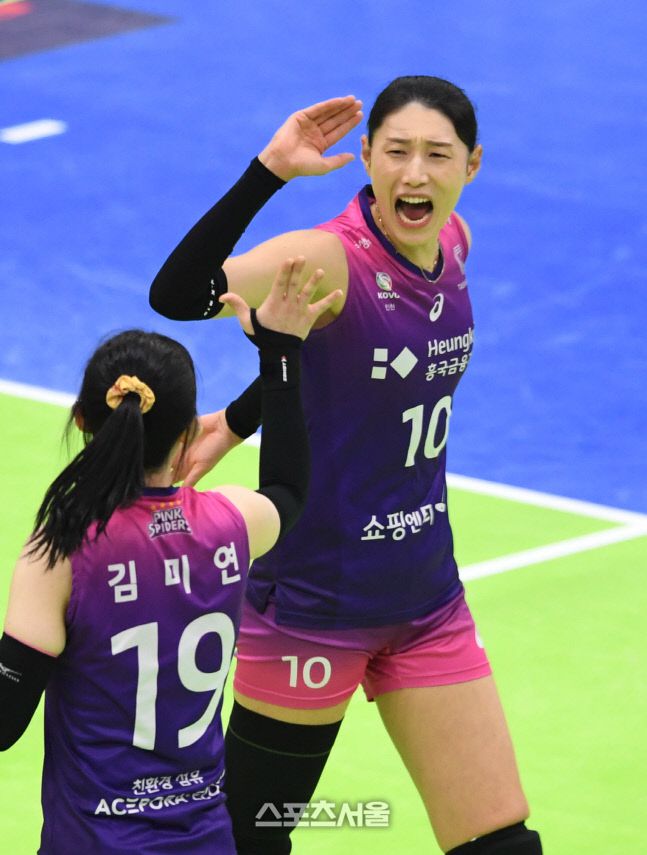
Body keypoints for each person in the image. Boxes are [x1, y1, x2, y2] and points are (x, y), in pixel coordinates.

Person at [149, 77, 542, 854]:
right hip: (312, 609)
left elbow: (339, 354)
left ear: (472, 165)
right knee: (250, 840)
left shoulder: (453, 243)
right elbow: (178, 294)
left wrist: (237, 419)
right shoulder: (325, 257)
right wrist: (268, 171)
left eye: (437, 155)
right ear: (365, 156)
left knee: (500, 844)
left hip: (425, 600)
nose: (414, 173)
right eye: (395, 151)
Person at [0, 258, 341, 854]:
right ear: (188, 434)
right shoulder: (234, 523)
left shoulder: (61, 550)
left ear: (82, 422)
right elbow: (288, 489)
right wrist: (281, 352)